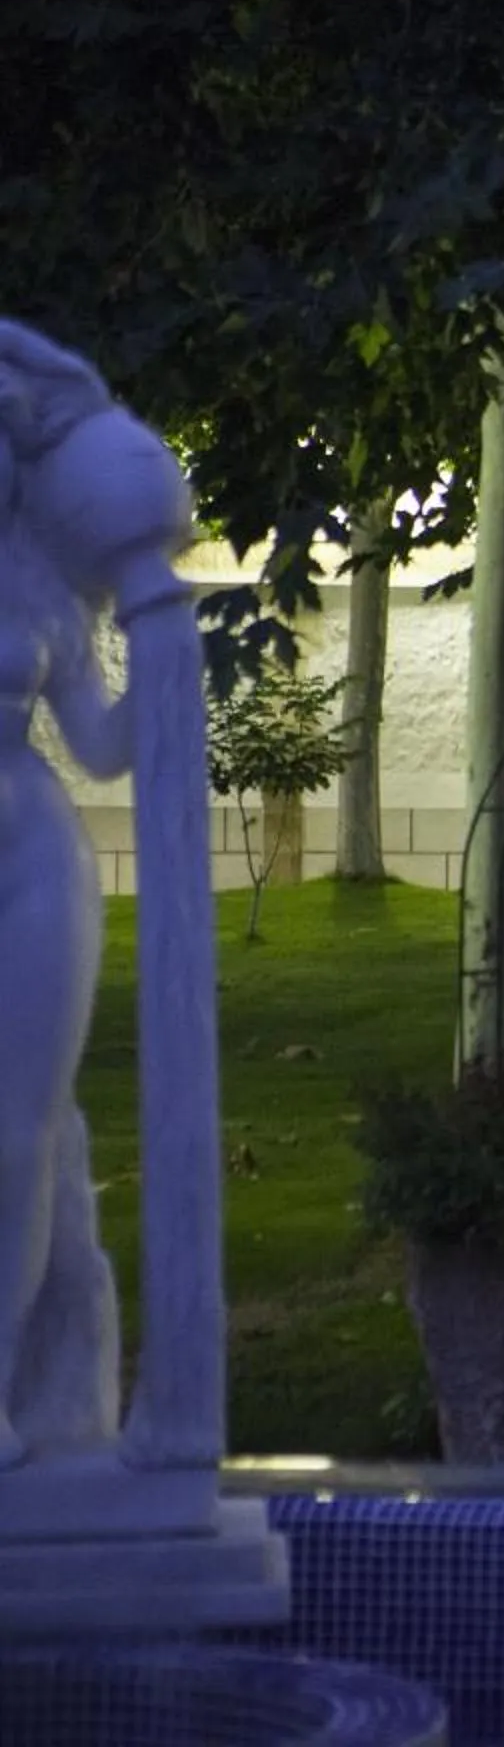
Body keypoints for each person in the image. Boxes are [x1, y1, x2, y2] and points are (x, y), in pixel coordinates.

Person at [0, 432, 130, 1468]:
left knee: (20, 1135)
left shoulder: (43, 580)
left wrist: (170, 654)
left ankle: (9, 1392)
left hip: (34, 852)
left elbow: (95, 739)